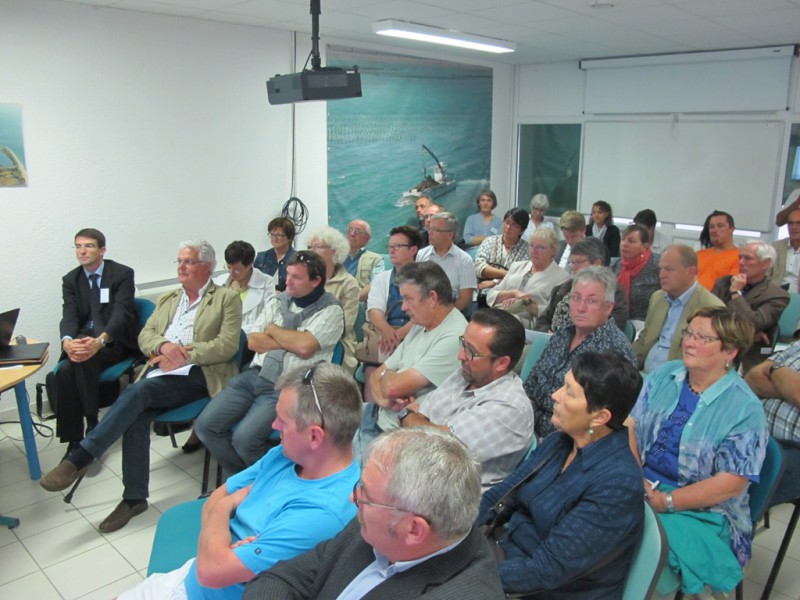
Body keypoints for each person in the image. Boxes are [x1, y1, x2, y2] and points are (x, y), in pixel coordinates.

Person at [41, 240, 242, 533]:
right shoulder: (170, 298)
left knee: (138, 392)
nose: (181, 268)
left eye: (187, 262)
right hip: (161, 370)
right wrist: (162, 346)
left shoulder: (226, 298)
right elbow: (145, 334)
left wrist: (182, 353)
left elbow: (227, 346)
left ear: (206, 267)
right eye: (179, 261)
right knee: (137, 411)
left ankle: (81, 457)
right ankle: (134, 499)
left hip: (200, 373)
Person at [117, 363, 362, 600]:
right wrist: (219, 534)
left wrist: (223, 510)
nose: (274, 426)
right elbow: (214, 499)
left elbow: (211, 571)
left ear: (314, 436)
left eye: (282, 422)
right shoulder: (288, 455)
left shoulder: (322, 512)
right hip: (191, 575)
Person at [242, 428, 505, 600]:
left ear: (413, 529)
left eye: (364, 493)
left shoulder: (465, 593)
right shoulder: (380, 519)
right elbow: (283, 578)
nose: (352, 498)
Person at [627, 306, 768, 597]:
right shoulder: (667, 374)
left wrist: (666, 501)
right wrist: (634, 474)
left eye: (703, 338)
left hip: (703, 508)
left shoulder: (745, 408)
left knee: (629, 543)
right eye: (689, 333)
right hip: (641, 483)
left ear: (729, 351)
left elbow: (730, 484)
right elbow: (629, 425)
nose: (689, 342)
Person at [478, 353, 644, 599]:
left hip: (550, 590)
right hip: (509, 555)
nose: (555, 395)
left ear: (599, 417)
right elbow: (501, 495)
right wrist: (452, 533)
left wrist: (469, 574)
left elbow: (546, 571)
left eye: (569, 392)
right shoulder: (561, 442)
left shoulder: (617, 483)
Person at [195, 251, 344, 476]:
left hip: (291, 385)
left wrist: (273, 330)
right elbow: (254, 341)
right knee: (205, 427)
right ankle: (247, 478)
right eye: (288, 274)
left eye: (296, 277)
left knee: (244, 440)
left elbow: (305, 347)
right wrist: (292, 339)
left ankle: (268, 481)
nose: (287, 281)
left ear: (316, 281)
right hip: (256, 374)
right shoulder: (277, 300)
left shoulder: (331, 310)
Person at [399, 309, 534, 490]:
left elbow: (436, 445)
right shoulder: (468, 373)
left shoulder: (509, 407)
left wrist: (404, 414)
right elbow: (424, 421)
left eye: (471, 351)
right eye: (463, 344)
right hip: (420, 475)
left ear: (502, 363)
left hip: (451, 501)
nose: (460, 356)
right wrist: (421, 423)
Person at [357, 262, 466, 461]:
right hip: (378, 415)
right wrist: (382, 397)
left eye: (408, 299)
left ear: (432, 298)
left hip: (399, 438)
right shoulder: (419, 324)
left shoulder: (454, 337)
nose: (404, 307)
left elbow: (391, 386)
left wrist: (387, 382)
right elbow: (378, 375)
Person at [524, 266, 636, 438]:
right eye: (576, 298)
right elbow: (531, 385)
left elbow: (599, 424)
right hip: (529, 425)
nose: (581, 307)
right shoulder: (564, 332)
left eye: (591, 301)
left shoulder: (614, 351)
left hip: (568, 439)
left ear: (608, 308)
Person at [55, 228, 139, 453]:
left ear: (102, 250)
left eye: (88, 246)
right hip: (84, 339)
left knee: (81, 362)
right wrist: (67, 341)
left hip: (114, 340)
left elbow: (121, 314)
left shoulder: (121, 274)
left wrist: (100, 341)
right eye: (78, 246)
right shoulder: (71, 279)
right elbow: (69, 315)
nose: (82, 252)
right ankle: (74, 438)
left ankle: (92, 424)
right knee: (63, 371)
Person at [633, 245, 724, 373]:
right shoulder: (658, 298)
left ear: (690, 272)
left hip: (679, 379)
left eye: (669, 269)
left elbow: (712, 359)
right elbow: (644, 338)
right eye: (661, 269)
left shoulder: (711, 307)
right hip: (644, 375)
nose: (661, 275)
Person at [711, 239, 789, 373]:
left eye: (748, 259)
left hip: (747, 356)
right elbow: (708, 317)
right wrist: (746, 335)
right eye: (740, 257)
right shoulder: (723, 283)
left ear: (766, 263)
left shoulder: (777, 295)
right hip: (713, 347)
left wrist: (735, 293)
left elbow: (753, 324)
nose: (741, 263)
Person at [745, 338, 800, 506]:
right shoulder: (798, 345)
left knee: (735, 482)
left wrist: (774, 369)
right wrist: (790, 387)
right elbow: (753, 379)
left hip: (794, 449)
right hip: (752, 427)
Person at [535, 237, 629, 333]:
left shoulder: (615, 295)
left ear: (597, 263)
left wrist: (565, 339)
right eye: (572, 263)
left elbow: (611, 330)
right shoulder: (563, 288)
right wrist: (547, 335)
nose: (574, 269)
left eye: (579, 262)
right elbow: (542, 321)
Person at [486, 228, 570, 329]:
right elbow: (490, 295)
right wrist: (512, 293)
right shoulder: (516, 266)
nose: (534, 251)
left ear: (553, 251)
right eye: (531, 245)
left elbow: (555, 314)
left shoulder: (562, 278)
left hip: (531, 324)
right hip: (501, 314)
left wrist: (528, 305)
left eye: (540, 247)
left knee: (502, 323)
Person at [366, 226, 422, 363]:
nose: (391, 250)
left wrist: (398, 336)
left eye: (398, 246)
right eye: (390, 246)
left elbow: (424, 315)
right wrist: (387, 331)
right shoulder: (381, 279)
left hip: (417, 335)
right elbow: (374, 310)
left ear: (413, 250)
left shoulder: (426, 278)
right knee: (372, 371)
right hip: (385, 335)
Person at [307, 227, 360, 373]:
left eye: (317, 247)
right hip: (303, 341)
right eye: (309, 247)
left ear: (334, 251)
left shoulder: (348, 283)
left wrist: (307, 337)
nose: (311, 251)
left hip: (336, 345)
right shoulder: (305, 280)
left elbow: (344, 326)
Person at [416, 212, 477, 312]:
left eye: (435, 230)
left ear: (449, 234)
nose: (429, 233)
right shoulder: (421, 254)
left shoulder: (464, 260)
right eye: (429, 228)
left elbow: (465, 299)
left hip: (451, 312)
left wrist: (444, 316)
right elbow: (417, 287)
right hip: (424, 311)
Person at [213, 240, 275, 335]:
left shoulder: (267, 283)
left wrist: (232, 332)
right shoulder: (219, 282)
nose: (231, 273)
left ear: (250, 265)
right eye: (229, 267)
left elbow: (267, 320)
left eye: (237, 270)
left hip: (248, 340)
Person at [611, 224, 661, 324]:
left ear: (644, 246)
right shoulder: (615, 265)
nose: (624, 244)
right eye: (623, 239)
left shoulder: (658, 265)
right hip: (616, 320)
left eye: (631, 241)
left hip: (646, 323)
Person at [474, 208, 529, 295]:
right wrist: (509, 273)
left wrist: (495, 282)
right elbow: (479, 268)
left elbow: (522, 278)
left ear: (521, 230)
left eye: (514, 225)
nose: (508, 227)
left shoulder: (528, 250)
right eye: (507, 222)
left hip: (510, 294)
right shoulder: (489, 241)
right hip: (482, 291)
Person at [343, 219, 385, 301]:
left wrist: (351, 300)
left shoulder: (376, 259)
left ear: (367, 238)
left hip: (359, 303)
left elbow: (376, 285)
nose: (352, 234)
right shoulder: (334, 256)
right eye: (349, 230)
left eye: (357, 231)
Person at [696, 210, 739, 290]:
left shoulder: (740, 257)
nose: (714, 230)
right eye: (711, 227)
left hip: (717, 300)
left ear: (732, 229)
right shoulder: (698, 255)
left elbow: (730, 288)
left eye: (720, 226)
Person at [253, 216, 295, 292]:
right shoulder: (261, 257)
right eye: (272, 234)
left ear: (290, 237)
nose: (275, 239)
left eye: (279, 235)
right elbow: (254, 282)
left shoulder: (297, 259)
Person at [770, 207, 800, 292]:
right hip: (775, 294)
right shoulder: (775, 247)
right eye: (790, 223)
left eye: (798, 223)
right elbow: (765, 276)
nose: (794, 227)